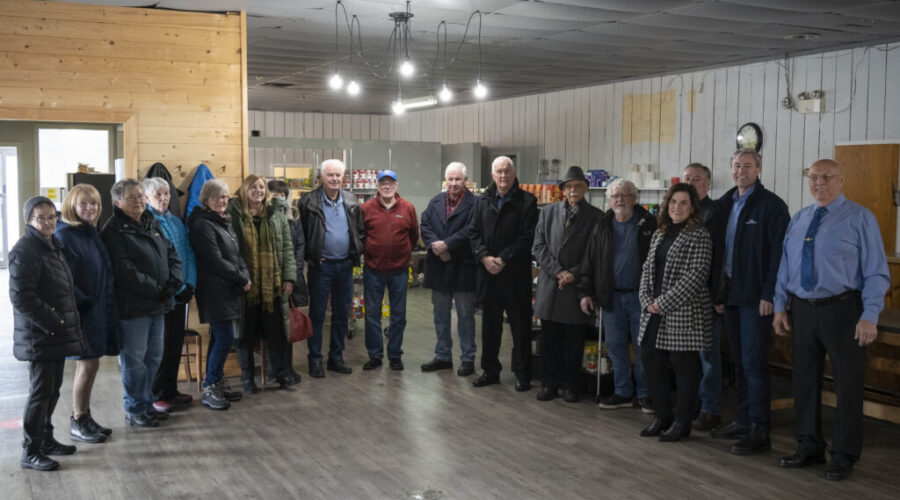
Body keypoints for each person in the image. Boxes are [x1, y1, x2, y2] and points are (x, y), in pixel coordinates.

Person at [773, 159, 889, 481]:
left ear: (841, 180)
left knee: (847, 386)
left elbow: (876, 272)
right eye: (813, 177)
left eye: (827, 177)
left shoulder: (860, 218)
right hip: (803, 310)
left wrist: (869, 316)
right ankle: (809, 445)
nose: (819, 182)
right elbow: (785, 266)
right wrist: (781, 305)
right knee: (804, 382)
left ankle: (843, 454)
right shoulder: (799, 219)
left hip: (843, 310)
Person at [712, 148, 789, 455]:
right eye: (736, 165)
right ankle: (743, 420)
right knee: (739, 364)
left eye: (747, 166)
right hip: (730, 296)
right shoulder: (724, 204)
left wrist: (770, 294)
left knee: (755, 364)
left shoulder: (771, 206)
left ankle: (760, 429)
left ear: (758, 169)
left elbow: (779, 255)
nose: (741, 170)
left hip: (756, 300)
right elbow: (718, 254)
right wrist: (718, 294)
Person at [102, 179, 182, 428]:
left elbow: (172, 254)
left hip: (159, 303)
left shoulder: (151, 222)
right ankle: (135, 407)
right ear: (117, 202)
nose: (138, 201)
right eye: (131, 197)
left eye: (140, 196)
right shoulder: (114, 230)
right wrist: (157, 289)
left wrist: (173, 282)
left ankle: (148, 403)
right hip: (134, 307)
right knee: (134, 361)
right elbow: (125, 270)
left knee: (154, 357)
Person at [11, 197, 83, 471]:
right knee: (40, 392)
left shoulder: (52, 245)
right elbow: (22, 298)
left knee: (52, 390)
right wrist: (54, 322)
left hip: (55, 331)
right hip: (41, 334)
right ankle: (30, 450)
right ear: (29, 220)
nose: (48, 222)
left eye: (52, 216)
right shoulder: (26, 250)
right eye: (41, 217)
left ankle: (46, 439)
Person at [637, 183, 713, 442]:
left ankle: (683, 422)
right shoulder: (660, 232)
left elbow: (697, 275)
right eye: (673, 202)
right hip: (653, 311)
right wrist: (647, 299)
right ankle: (662, 416)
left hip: (683, 311)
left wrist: (663, 303)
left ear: (692, 208)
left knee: (685, 369)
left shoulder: (699, 234)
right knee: (652, 362)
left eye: (683, 203)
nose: (676, 207)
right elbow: (647, 268)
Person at [579, 178, 656, 413]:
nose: (620, 200)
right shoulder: (602, 224)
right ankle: (623, 391)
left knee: (644, 347)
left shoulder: (648, 224)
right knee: (615, 347)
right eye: (615, 196)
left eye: (625, 195)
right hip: (610, 297)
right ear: (609, 200)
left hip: (641, 299)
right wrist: (586, 292)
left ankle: (645, 394)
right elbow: (590, 260)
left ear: (634, 198)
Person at [55, 185, 120, 444]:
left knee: (91, 364)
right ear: (72, 205)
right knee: (87, 364)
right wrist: (85, 303)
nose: (90, 208)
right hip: (84, 311)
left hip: (98, 309)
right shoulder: (67, 235)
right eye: (84, 204)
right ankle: (78, 419)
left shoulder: (89, 232)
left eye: (94, 203)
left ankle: (85, 416)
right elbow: (65, 279)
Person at [533, 166, 602, 403]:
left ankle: (570, 385)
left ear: (586, 188)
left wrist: (571, 273)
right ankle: (548, 383)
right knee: (549, 339)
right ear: (562, 190)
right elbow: (538, 246)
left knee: (574, 341)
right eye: (568, 187)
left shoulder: (596, 216)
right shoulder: (548, 212)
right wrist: (558, 271)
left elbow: (594, 254)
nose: (573, 191)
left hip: (577, 286)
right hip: (552, 284)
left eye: (578, 186)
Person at [469, 156, 538, 391]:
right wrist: (484, 257)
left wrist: (504, 258)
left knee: (520, 329)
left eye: (507, 171)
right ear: (492, 174)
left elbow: (528, 238)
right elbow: (473, 233)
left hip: (516, 276)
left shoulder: (527, 201)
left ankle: (522, 374)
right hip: (488, 275)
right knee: (490, 328)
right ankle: (490, 371)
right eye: (499, 171)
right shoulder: (482, 201)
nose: (503, 176)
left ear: (514, 173)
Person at [227, 174, 297, 392]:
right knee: (244, 335)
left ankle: (280, 373)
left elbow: (287, 247)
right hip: (245, 285)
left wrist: (289, 276)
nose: (258, 190)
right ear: (244, 190)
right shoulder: (234, 215)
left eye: (261, 187)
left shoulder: (275, 215)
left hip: (272, 284)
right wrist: (239, 277)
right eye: (253, 187)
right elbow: (231, 251)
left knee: (275, 332)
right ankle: (248, 378)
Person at [296, 159, 365, 378]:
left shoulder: (351, 200)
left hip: (345, 266)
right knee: (317, 315)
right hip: (321, 267)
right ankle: (315, 359)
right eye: (330, 175)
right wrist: (312, 257)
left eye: (338, 175)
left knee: (341, 314)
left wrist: (356, 252)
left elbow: (359, 231)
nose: (335, 179)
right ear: (321, 177)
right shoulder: (308, 201)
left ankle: (336, 357)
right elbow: (301, 236)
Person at [189, 179, 252, 410]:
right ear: (205, 199)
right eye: (216, 197)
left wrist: (244, 273)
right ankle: (210, 387)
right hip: (214, 290)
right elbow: (214, 261)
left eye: (225, 196)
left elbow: (237, 254)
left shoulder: (224, 221)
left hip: (229, 288)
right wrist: (241, 278)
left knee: (219, 338)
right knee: (225, 338)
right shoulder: (202, 225)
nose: (221, 201)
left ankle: (216, 382)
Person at [142, 177, 197, 413]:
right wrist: (173, 288)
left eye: (166, 194)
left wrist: (190, 284)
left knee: (175, 344)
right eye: (158, 195)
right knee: (159, 349)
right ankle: (156, 393)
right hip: (162, 297)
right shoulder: (146, 223)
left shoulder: (176, 222)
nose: (164, 199)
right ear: (146, 198)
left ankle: (170, 389)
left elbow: (188, 254)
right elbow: (154, 263)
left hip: (181, 295)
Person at [419, 162, 478, 376]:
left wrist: (447, 244)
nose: (453, 183)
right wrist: (437, 246)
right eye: (450, 179)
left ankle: (468, 359)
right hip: (439, 266)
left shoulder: (475, 204)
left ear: (466, 181)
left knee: (465, 316)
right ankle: (443, 356)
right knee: (440, 315)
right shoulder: (436, 201)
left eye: (458, 179)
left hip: (463, 268)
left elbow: (472, 230)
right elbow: (424, 225)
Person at [360, 170, 419, 371]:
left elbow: (413, 236)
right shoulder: (366, 208)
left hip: (399, 271)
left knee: (398, 315)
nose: (387, 186)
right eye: (383, 183)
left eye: (390, 183)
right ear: (377, 186)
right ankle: (375, 355)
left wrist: (402, 255)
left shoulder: (408, 208)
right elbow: (360, 235)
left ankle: (395, 355)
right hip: (373, 269)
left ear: (397, 186)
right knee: (372, 314)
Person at [682, 163, 726, 431]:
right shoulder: (679, 210)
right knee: (686, 356)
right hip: (681, 298)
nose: (692, 182)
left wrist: (717, 295)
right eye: (687, 178)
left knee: (707, 355)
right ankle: (690, 405)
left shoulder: (715, 213)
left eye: (697, 179)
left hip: (705, 297)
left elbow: (718, 258)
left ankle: (710, 408)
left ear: (707, 184)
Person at [269, 179, 307, 382]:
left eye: (282, 195)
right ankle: (275, 369)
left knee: (289, 325)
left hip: (291, 280)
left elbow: (300, 245)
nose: (279, 199)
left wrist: (294, 274)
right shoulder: (265, 216)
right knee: (274, 326)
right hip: (272, 280)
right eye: (274, 195)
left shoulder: (294, 216)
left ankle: (288, 367)